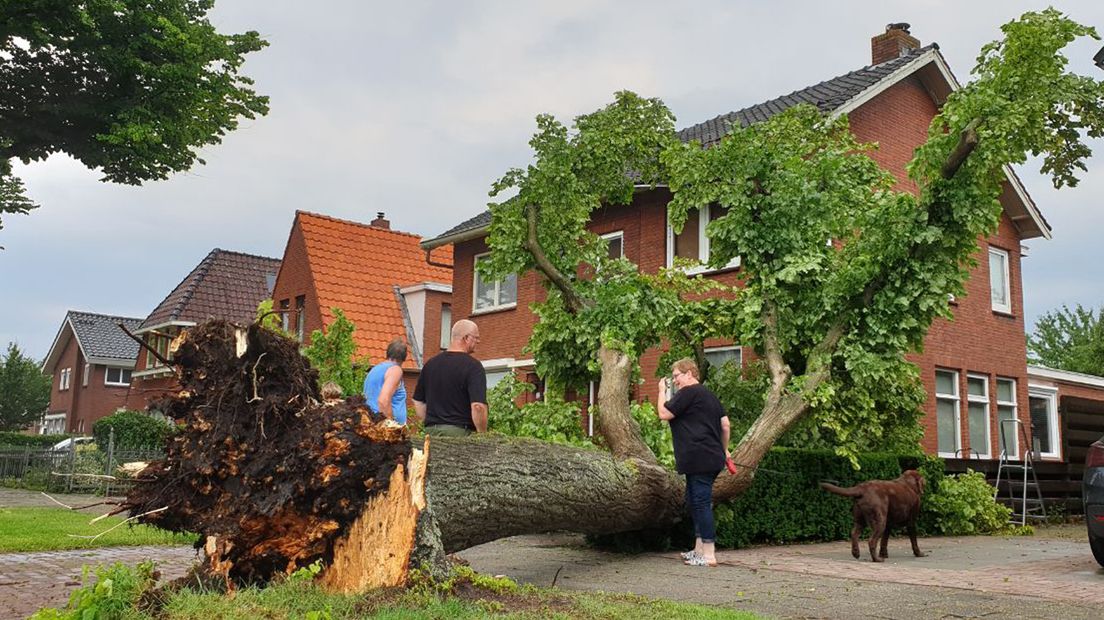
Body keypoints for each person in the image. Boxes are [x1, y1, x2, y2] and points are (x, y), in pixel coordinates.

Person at [657, 358, 731, 567]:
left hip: (699, 458)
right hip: (709, 457)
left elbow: (664, 413)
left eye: (676, 376)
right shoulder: (709, 396)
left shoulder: (689, 393)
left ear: (689, 373)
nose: (675, 381)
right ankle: (699, 550)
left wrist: (662, 390)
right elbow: (725, 425)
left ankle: (708, 555)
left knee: (700, 503)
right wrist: (724, 450)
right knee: (695, 502)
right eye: (673, 379)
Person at [413, 319, 487, 436]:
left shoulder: (430, 365)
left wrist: (432, 422)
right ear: (466, 338)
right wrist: (483, 434)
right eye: (476, 338)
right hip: (459, 433)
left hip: (431, 433)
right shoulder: (474, 367)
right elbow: (478, 406)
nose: (479, 341)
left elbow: (418, 402)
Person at [363, 340, 409, 424]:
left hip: (371, 422)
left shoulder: (374, 370)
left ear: (387, 353)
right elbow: (383, 400)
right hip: (384, 428)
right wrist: (391, 425)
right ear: (405, 357)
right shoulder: (395, 370)